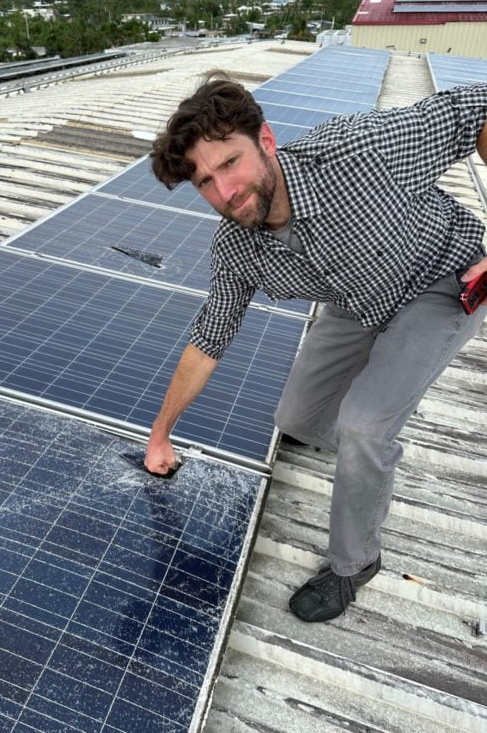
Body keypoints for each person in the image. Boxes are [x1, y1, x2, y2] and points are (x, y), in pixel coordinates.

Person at [144, 74, 487, 623]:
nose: (225, 193)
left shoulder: (362, 151)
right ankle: (361, 457)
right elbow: (210, 337)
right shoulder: (238, 247)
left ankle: (355, 563)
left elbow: (479, 106)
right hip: (357, 301)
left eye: (230, 163)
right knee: (297, 419)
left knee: (364, 426)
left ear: (268, 141)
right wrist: (160, 434)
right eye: (205, 182)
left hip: (442, 283)